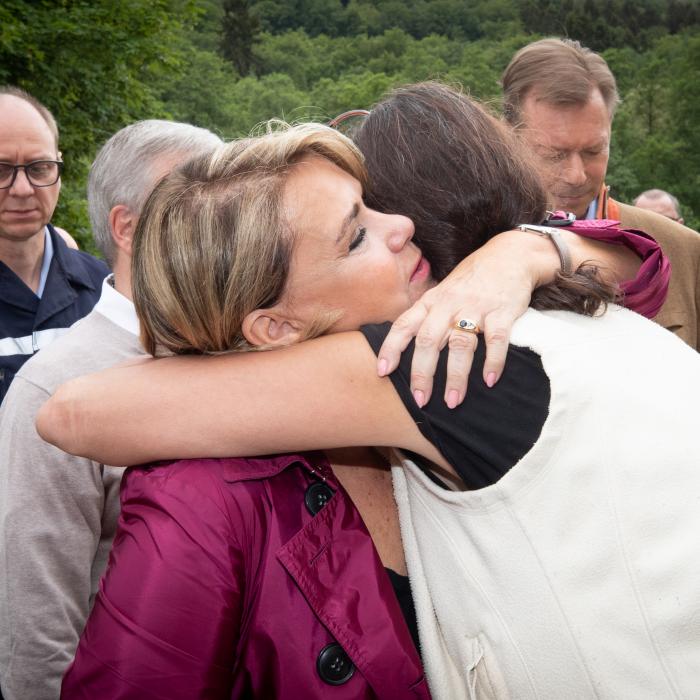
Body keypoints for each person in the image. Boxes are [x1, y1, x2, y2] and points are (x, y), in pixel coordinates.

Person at [40, 86, 698, 698]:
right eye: (356, 234)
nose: (400, 227)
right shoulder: (205, 498)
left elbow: (648, 262)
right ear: (272, 326)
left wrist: (523, 253)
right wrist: (529, 250)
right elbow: (64, 413)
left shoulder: (447, 362)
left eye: (376, 203)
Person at [0, 120, 222, 700]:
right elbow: (39, 625)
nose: (232, 223)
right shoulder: (54, 389)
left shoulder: (247, 356)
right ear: (127, 227)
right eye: (198, 204)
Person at [502, 37, 700, 350]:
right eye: (553, 154)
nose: (576, 175)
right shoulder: (463, 245)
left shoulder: (688, 253)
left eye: (594, 151)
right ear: (507, 139)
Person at [0, 86, 109, 403]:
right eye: (1, 169)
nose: (22, 189)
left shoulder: (104, 292)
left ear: (58, 167)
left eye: (39, 168)